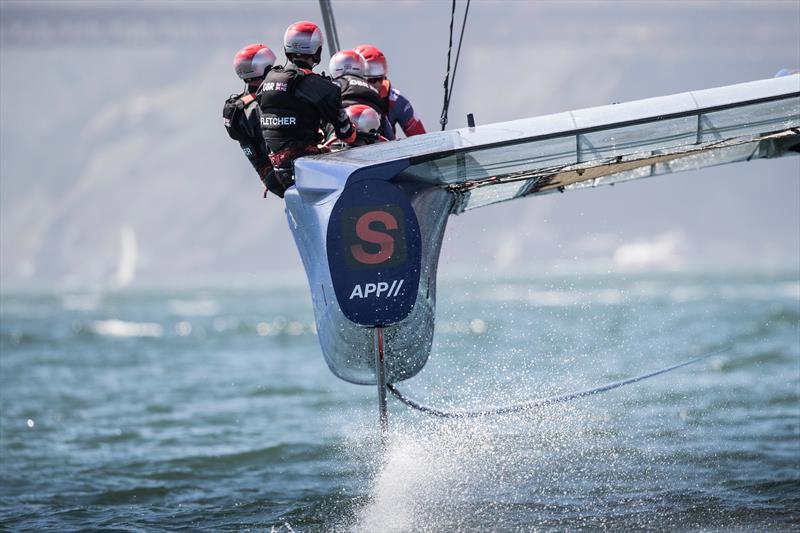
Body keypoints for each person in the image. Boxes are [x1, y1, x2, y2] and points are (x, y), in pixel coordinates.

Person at [257, 21, 356, 197]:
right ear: (317, 50)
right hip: (305, 166)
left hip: (278, 169)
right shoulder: (320, 87)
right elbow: (346, 134)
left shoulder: (268, 80)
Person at [223, 43, 279, 195]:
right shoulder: (270, 102)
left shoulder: (237, 108)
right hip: (289, 172)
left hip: (269, 177)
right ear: (266, 67)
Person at [353, 44, 426, 140]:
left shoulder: (396, 101)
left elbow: (422, 140)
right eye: (370, 80)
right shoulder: (338, 96)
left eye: (379, 79)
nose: (375, 85)